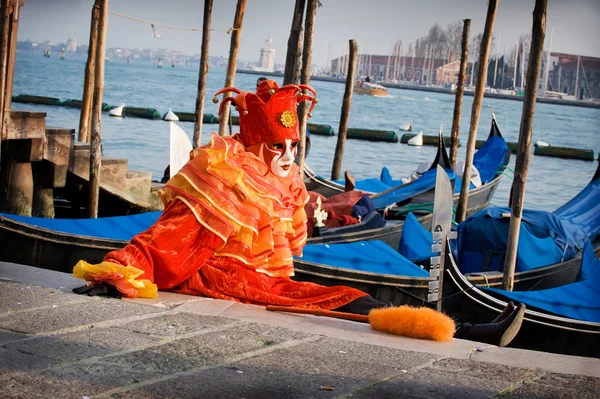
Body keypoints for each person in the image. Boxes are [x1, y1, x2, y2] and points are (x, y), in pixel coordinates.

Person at [73, 80, 525, 347]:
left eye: (294, 146)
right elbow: (165, 240)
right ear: (254, 143)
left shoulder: (282, 182)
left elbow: (287, 246)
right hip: (223, 276)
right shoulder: (223, 174)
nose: (288, 155)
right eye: (277, 146)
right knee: (335, 297)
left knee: (339, 293)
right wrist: (118, 276)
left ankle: (460, 328)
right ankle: (462, 331)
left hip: (261, 278)